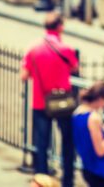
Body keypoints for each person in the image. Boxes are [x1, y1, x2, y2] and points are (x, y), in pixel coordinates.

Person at [20, 12, 79, 187]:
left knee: (41, 144)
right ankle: (67, 180)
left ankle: (41, 181)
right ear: (60, 27)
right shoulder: (66, 49)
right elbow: (75, 67)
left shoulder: (33, 48)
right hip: (63, 101)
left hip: (41, 101)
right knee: (67, 143)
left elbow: (23, 75)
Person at [71, 82, 104, 187]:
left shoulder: (77, 114)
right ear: (100, 99)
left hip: (89, 167)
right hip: (103, 171)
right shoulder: (93, 118)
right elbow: (100, 150)